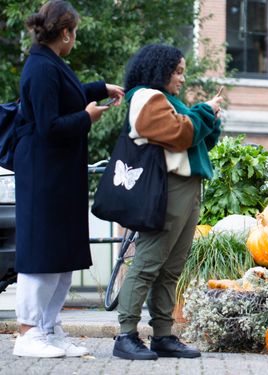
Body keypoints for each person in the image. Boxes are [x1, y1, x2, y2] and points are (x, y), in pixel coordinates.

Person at [13, 0, 124, 358]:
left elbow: (67, 96)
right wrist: (87, 118)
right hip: (44, 175)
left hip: (57, 174)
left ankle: (48, 328)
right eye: (74, 32)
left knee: (60, 253)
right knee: (42, 252)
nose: (74, 38)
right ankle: (28, 333)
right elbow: (48, 125)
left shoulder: (50, 63)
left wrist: (98, 88)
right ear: (65, 33)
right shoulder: (42, 68)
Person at [112, 44, 223, 360]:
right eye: (177, 72)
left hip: (186, 186)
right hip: (168, 187)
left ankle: (163, 334)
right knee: (148, 262)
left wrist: (208, 116)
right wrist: (203, 111)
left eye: (183, 72)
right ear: (159, 71)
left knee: (171, 267)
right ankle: (126, 335)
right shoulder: (146, 97)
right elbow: (180, 133)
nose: (182, 79)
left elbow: (198, 139)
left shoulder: (167, 100)